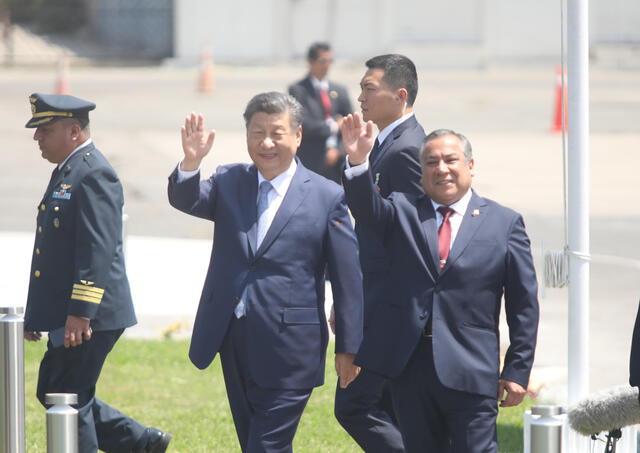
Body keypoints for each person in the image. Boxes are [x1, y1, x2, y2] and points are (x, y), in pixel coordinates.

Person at [167, 92, 363, 453]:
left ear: (298, 136)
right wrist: (191, 162)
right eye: (257, 133)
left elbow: (348, 278)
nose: (267, 143)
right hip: (234, 335)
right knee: (254, 440)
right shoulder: (230, 180)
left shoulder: (326, 196)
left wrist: (349, 346)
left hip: (291, 344)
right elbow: (187, 199)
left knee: (265, 446)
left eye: (277, 133)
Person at [341, 122, 540, 453]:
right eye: (431, 162)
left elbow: (523, 305)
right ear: (421, 172)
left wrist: (518, 369)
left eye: (451, 160)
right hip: (410, 368)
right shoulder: (403, 210)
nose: (442, 169)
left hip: (471, 368)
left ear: (471, 166)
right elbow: (366, 209)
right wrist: (359, 162)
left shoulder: (503, 223)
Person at [23, 93, 171, 453]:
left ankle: (140, 442)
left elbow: (97, 250)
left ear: (74, 131)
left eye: (45, 129)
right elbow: (54, 255)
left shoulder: (93, 173)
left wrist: (79, 314)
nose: (36, 138)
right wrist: (38, 315)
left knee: (68, 399)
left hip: (92, 314)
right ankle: (142, 442)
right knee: (57, 391)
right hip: (72, 312)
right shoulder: (70, 169)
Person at [333, 54, 425, 453]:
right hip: (379, 302)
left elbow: (392, 230)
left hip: (392, 307)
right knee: (388, 406)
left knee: (354, 405)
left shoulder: (407, 151)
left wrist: (356, 165)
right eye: (361, 89)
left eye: (370, 89)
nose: (361, 98)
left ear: (400, 95)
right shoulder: (389, 142)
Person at [288, 42, 352, 183]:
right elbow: (301, 123)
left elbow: (350, 125)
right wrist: (333, 126)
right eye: (323, 61)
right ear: (310, 62)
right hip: (310, 158)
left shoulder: (339, 91)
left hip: (337, 162)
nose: (327, 65)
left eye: (330, 61)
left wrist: (339, 150)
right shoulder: (298, 90)